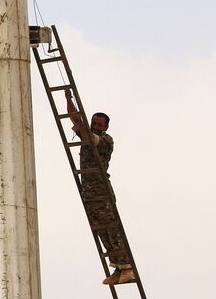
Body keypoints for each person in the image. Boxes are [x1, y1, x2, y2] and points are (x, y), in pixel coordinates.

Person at [66, 90, 135, 286]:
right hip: (89, 192)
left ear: (105, 127)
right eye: (94, 123)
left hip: (101, 192)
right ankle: (118, 268)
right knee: (102, 231)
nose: (95, 127)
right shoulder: (87, 133)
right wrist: (68, 100)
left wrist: (81, 122)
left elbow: (85, 132)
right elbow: (73, 118)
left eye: (99, 125)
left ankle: (127, 267)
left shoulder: (106, 141)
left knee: (112, 229)